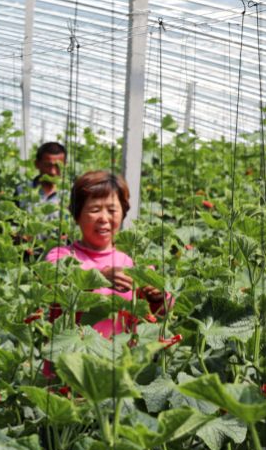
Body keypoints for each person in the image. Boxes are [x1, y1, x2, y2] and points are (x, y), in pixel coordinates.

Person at [44, 170, 168, 339]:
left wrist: (157, 297)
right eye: (95, 209)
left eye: (112, 210)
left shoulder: (133, 260)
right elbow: (56, 283)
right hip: (71, 360)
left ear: (123, 213)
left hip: (122, 359)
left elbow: (160, 314)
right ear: (77, 214)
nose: (104, 218)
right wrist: (99, 277)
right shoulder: (61, 256)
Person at [20, 142, 67, 215]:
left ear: (65, 166)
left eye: (58, 166)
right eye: (47, 165)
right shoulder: (21, 190)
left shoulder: (71, 194)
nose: (53, 172)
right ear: (37, 164)